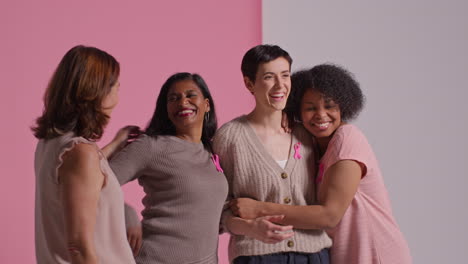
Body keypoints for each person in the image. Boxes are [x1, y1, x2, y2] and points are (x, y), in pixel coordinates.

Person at [230, 64, 412, 264]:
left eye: (329, 106)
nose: (321, 115)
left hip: (375, 253)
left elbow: (329, 216)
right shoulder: (312, 146)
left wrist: (259, 209)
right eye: (310, 108)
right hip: (343, 255)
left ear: (343, 106)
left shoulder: (347, 139)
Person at [213, 45, 332, 264]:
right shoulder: (230, 138)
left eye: (285, 75)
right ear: (249, 84)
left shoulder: (306, 132)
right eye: (269, 77)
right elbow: (219, 208)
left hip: (314, 254)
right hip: (256, 256)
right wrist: (250, 228)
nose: (280, 85)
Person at [107, 72, 228, 264]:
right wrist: (126, 213)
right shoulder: (152, 146)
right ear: (166, 108)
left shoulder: (213, 151)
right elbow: (96, 185)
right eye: (174, 98)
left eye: (190, 95)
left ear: (206, 105)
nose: (182, 102)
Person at [32, 45, 136, 264]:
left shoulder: (49, 146)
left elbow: (83, 178)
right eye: (116, 85)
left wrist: (116, 144)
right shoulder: (80, 154)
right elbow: (79, 247)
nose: (119, 91)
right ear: (97, 91)